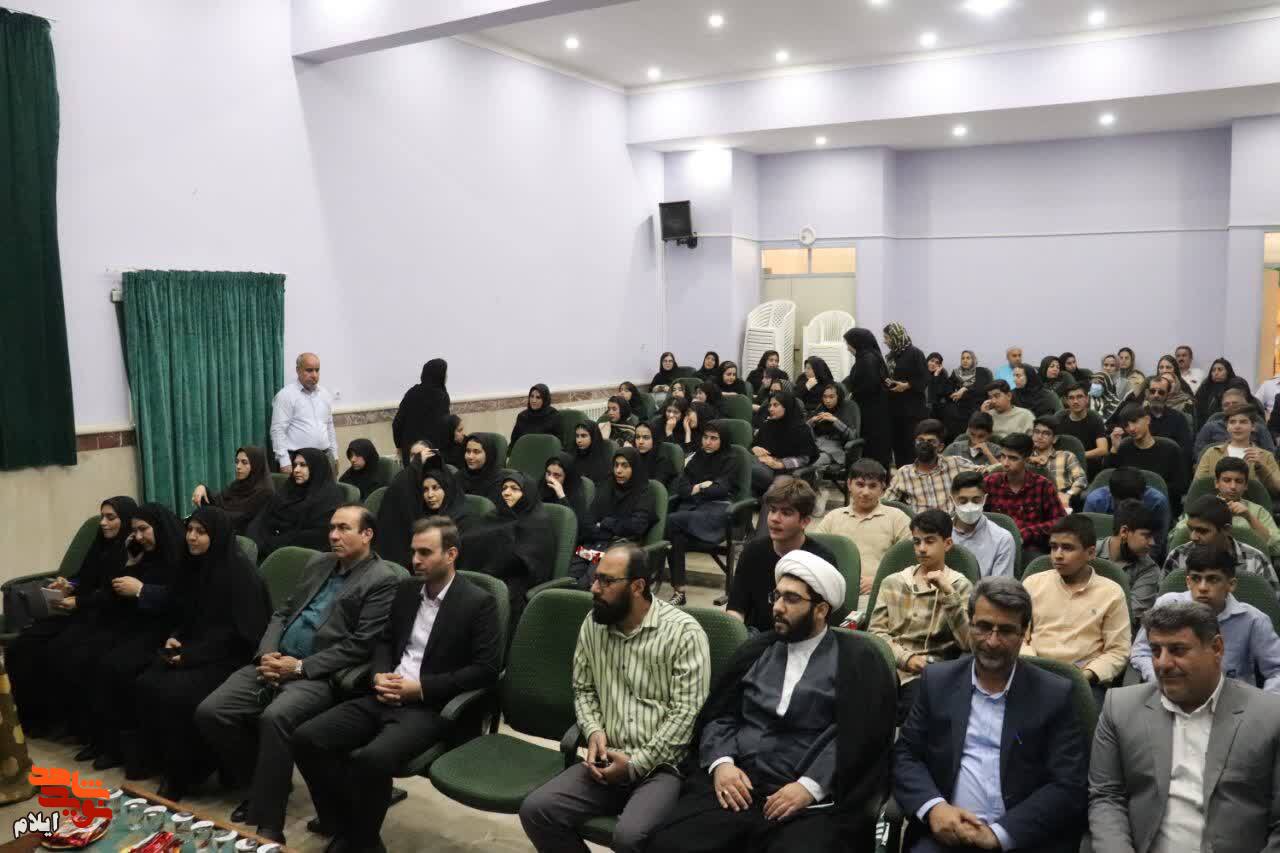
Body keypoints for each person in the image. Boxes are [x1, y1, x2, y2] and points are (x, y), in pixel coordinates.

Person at [647, 551, 897, 853]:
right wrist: (722, 763)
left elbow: (857, 738)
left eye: (791, 599)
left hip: (807, 802)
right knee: (670, 844)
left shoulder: (857, 661)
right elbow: (721, 715)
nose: (777, 607)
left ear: (821, 609)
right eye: (776, 596)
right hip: (739, 786)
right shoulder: (756, 651)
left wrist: (809, 787)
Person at [293, 517, 501, 853]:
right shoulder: (406, 591)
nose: (415, 560)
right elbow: (385, 642)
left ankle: (358, 842)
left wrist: (420, 688)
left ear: (451, 555)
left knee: (370, 760)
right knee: (307, 738)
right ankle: (347, 826)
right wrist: (378, 674)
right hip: (383, 693)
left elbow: (484, 671)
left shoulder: (478, 602)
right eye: (413, 552)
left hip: (428, 706)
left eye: (425, 553)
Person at [195, 505, 400, 844]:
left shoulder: (381, 579)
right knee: (211, 712)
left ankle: (268, 826)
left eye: (344, 528)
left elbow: (361, 645)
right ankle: (263, 781)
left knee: (275, 717)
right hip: (275, 660)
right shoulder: (319, 563)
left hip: (318, 674)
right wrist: (267, 652)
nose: (333, 535)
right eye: (332, 528)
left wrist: (300, 667)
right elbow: (284, 611)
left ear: (367, 535)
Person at [519, 544, 711, 853]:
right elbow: (584, 689)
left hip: (662, 767)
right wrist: (594, 731)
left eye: (607, 581)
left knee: (630, 837)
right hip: (607, 758)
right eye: (596, 578)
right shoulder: (593, 624)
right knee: (537, 811)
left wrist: (636, 764)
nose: (594, 588)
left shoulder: (684, 633)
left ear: (637, 586)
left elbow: (686, 713)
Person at [893, 576, 1090, 853]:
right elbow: (906, 755)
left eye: (1006, 631)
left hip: (1021, 839)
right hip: (945, 835)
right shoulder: (937, 682)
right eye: (984, 627)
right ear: (970, 624)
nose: (992, 641)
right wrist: (934, 808)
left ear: (1024, 633)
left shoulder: (1054, 695)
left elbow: (1068, 784)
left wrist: (999, 834)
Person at [1089, 599, 1280, 853]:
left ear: (1217, 648)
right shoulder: (1120, 708)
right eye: (1156, 651)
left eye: (1177, 650)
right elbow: (1106, 797)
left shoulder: (1270, 716)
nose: (1163, 663)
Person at [127, 506, 272, 799]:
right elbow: (183, 613)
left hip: (230, 656)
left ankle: (185, 775)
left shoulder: (239, 574)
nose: (192, 537)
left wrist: (193, 655)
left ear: (217, 536)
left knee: (175, 694)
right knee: (146, 682)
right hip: (195, 649)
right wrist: (176, 637)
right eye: (190, 530)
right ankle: (161, 762)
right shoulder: (192, 566)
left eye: (201, 532)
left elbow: (243, 634)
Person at [7, 496, 138, 738]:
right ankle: (29, 720)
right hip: (78, 610)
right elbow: (85, 577)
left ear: (127, 520)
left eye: (111, 517)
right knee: (22, 645)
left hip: (104, 616)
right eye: (102, 517)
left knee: (59, 650)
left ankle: (65, 723)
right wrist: (69, 585)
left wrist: (79, 601)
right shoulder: (100, 545)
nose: (103, 523)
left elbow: (113, 594)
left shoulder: (132, 553)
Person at [75, 503, 186, 769]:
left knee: (115, 666)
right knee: (88, 655)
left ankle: (123, 748)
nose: (138, 536)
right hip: (136, 625)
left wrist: (142, 590)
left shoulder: (180, 557)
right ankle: (101, 739)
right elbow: (117, 592)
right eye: (134, 531)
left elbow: (180, 601)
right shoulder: (144, 555)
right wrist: (131, 564)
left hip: (166, 630)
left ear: (159, 528)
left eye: (143, 529)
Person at [868, 509, 973, 723]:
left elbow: (968, 642)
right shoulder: (893, 582)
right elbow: (876, 633)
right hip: (889, 664)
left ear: (947, 544)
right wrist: (905, 658)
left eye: (930, 541)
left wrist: (948, 593)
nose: (922, 548)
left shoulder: (960, 585)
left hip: (930, 671)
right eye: (917, 542)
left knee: (915, 707)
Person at [1130, 545, 1280, 693]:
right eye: (1196, 579)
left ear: (1231, 584)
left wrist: (1264, 703)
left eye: (1212, 579)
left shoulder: (1253, 620)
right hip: (1172, 695)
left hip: (1233, 700)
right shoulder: (1167, 606)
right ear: (1188, 582)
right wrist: (1160, 681)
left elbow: (1277, 670)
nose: (1202, 587)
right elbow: (1141, 652)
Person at [1021, 515, 1131, 704]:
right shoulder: (1033, 584)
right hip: (1032, 673)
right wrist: (1034, 667)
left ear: (1090, 553)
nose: (1058, 555)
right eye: (1053, 547)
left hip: (1084, 682)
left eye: (1067, 548)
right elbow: (1018, 637)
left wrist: (1084, 676)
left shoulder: (1111, 593)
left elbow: (1118, 651)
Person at [728, 479, 837, 633]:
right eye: (773, 510)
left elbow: (821, 621)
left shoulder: (821, 560)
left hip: (800, 638)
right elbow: (736, 609)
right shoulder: (752, 551)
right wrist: (736, 635)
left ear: (804, 521)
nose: (775, 518)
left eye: (786, 513)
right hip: (755, 637)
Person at [665, 422, 740, 606]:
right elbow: (682, 488)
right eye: (705, 437)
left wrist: (697, 489)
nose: (708, 442)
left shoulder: (731, 459)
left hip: (717, 514)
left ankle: (643, 569)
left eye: (714, 438)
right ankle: (680, 591)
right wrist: (702, 486)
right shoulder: (697, 457)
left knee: (670, 522)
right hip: (694, 512)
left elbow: (721, 489)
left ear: (723, 440)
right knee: (676, 537)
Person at [813, 459, 912, 594]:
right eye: (860, 484)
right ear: (849, 484)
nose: (865, 492)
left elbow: (911, 559)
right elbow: (814, 554)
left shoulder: (897, 518)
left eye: (872, 486)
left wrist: (880, 580)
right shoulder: (833, 517)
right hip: (837, 591)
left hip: (881, 593)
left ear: (882, 488)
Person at [571, 447, 657, 589]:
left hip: (619, 548)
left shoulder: (644, 492)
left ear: (634, 468)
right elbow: (589, 519)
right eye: (616, 465)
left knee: (589, 584)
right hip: (594, 544)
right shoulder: (606, 486)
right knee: (566, 579)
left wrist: (606, 523)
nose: (618, 470)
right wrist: (603, 529)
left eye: (624, 466)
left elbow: (636, 526)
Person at [1163, 495, 1280, 596]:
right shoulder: (1178, 556)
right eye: (1191, 529)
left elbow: (1271, 605)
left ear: (1226, 530)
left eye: (1203, 531)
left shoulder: (1256, 560)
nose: (1193, 537)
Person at [247, 447, 346, 561]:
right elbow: (262, 518)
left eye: (303, 465)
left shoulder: (328, 498)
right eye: (295, 465)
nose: (296, 470)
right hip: (266, 549)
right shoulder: (288, 489)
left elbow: (315, 537)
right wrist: (255, 542)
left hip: (299, 557)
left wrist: (272, 543)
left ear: (317, 468)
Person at [982, 433, 1066, 559]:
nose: (1005, 463)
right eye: (1003, 456)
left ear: (1027, 459)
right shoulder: (990, 482)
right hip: (994, 545)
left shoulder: (1042, 485)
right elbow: (979, 516)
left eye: (1013, 458)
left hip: (1030, 548)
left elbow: (1060, 520)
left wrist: (1027, 533)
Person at [1178, 457, 1280, 559]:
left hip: (1249, 562)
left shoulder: (1258, 511)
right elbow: (1177, 538)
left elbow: (1277, 548)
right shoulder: (1201, 506)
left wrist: (1249, 517)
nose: (1233, 486)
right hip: (1203, 560)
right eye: (1227, 480)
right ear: (1217, 483)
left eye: (1239, 481)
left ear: (1245, 485)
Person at [886, 420, 977, 515]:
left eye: (931, 441)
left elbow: (985, 473)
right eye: (920, 440)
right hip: (919, 522)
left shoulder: (955, 463)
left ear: (940, 447)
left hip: (951, 521)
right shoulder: (904, 473)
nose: (924, 445)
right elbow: (885, 503)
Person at [1095, 500, 1161, 628]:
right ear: (1124, 532)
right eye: (1147, 536)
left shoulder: (1149, 569)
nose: (1152, 542)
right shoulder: (1088, 554)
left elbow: (1130, 615)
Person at [1083, 466, 1172, 560]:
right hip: (1101, 555)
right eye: (1125, 502)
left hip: (1142, 558)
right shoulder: (1096, 501)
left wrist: (1142, 564)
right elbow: (1086, 539)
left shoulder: (1157, 502)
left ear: (1144, 493)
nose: (1129, 507)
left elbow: (1157, 543)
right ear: (1112, 495)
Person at [1107, 404, 1187, 508]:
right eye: (1126, 425)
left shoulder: (1170, 449)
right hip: (1127, 505)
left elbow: (1181, 486)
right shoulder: (1124, 447)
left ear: (1147, 420)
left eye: (1135, 421)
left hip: (1159, 504)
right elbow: (1108, 478)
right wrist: (1114, 449)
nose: (1131, 428)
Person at [271, 352, 338, 472]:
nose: (314, 375)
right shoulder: (286, 395)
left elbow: (329, 426)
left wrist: (335, 455)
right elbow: (278, 430)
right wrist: (284, 462)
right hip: (298, 460)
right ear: (298, 370)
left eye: (317, 370)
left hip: (325, 457)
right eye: (309, 370)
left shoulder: (325, 394)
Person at [1195, 405, 1280, 495]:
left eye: (1243, 422)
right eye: (1232, 422)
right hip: (1216, 502)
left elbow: (1277, 489)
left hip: (1253, 503)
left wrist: (1262, 468)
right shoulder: (1211, 453)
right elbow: (1197, 487)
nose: (1237, 426)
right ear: (1227, 426)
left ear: (1253, 426)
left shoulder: (1265, 456)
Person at [190, 446, 275, 533]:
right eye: (237, 462)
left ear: (256, 465)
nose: (238, 466)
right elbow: (217, 502)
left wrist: (214, 515)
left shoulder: (265, 493)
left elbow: (241, 520)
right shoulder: (237, 485)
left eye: (244, 462)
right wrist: (203, 489)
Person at [949, 471, 1016, 579]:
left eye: (976, 501)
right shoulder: (940, 534)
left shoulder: (1002, 539)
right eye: (963, 501)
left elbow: (1000, 586)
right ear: (952, 500)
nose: (970, 507)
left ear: (984, 499)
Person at [749, 390, 817, 496]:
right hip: (763, 467)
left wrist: (780, 464)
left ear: (787, 406)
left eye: (775, 405)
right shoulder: (767, 425)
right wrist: (755, 449)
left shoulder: (801, 429)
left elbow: (805, 458)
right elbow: (754, 445)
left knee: (769, 489)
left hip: (786, 471)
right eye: (770, 405)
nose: (771, 409)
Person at [843, 328, 892, 469]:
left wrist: (853, 393)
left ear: (857, 342)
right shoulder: (869, 357)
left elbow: (869, 385)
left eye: (848, 344)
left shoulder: (867, 359)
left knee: (873, 448)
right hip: (875, 410)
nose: (848, 348)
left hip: (872, 413)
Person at [883, 323, 929, 468]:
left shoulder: (915, 353)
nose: (885, 341)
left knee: (910, 447)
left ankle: (915, 475)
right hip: (895, 408)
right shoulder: (892, 355)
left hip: (911, 410)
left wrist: (907, 385)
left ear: (896, 336)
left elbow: (924, 379)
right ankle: (902, 474)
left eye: (887, 338)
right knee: (898, 446)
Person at [1193, 385, 1277, 459]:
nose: (1231, 407)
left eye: (1235, 403)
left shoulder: (1259, 427)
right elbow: (1198, 453)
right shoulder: (1210, 427)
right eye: (1226, 404)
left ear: (1245, 405)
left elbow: (1270, 452)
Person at [391, 359, 450, 462]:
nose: (446, 376)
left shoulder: (412, 392)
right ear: (440, 375)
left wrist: (399, 446)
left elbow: (397, 423)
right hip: (431, 453)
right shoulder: (441, 396)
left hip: (410, 452)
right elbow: (444, 428)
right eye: (445, 373)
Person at [1027, 416, 1087, 510]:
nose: (1039, 436)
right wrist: (1029, 459)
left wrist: (1068, 494)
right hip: (1029, 500)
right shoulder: (1024, 457)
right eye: (1036, 432)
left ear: (1054, 439)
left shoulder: (1066, 456)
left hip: (1058, 499)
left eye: (1046, 433)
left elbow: (1081, 479)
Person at [806, 382, 857, 480]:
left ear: (839, 397)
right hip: (816, 447)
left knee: (812, 463)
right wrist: (812, 421)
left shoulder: (848, 408)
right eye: (825, 397)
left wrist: (835, 421)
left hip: (836, 451)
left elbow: (852, 436)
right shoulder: (821, 408)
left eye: (831, 397)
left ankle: (810, 487)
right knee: (799, 460)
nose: (827, 400)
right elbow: (804, 432)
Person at [1057, 383, 1110, 478]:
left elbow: (1103, 449)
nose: (1075, 401)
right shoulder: (1060, 419)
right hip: (1063, 468)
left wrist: (1077, 456)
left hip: (1089, 469)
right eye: (1071, 398)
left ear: (1087, 399)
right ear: (1067, 401)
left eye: (1079, 397)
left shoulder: (1095, 419)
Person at [1142, 375, 1194, 465]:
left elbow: (1185, 451)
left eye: (1161, 392)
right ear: (1147, 393)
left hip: (1169, 465)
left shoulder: (1179, 418)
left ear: (1168, 395)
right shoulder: (1138, 416)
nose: (1156, 395)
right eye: (1152, 391)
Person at [944, 350, 994, 440]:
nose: (965, 360)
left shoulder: (981, 371)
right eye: (963, 358)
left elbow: (981, 388)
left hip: (976, 404)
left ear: (973, 360)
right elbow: (948, 388)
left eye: (968, 358)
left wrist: (964, 389)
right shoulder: (956, 373)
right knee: (949, 412)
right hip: (960, 405)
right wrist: (952, 394)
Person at [457, 432, 505, 503]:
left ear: (488, 454)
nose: (470, 457)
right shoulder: (458, 476)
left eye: (476, 452)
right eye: (468, 451)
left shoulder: (499, 482)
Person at [542, 451, 590, 522]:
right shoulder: (541, 485)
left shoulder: (576, 493)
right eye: (548, 473)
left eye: (556, 475)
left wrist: (562, 496)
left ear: (567, 477)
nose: (550, 479)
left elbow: (575, 522)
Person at [632, 422, 678, 490]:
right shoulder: (634, 456)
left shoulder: (663, 461)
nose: (640, 442)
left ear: (654, 438)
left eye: (646, 438)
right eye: (637, 437)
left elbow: (654, 489)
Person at [1194, 357, 1236, 426]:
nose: (1216, 373)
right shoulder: (1205, 387)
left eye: (1220, 370)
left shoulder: (1234, 387)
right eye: (1213, 370)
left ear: (1228, 372)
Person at [573, 420, 615, 486]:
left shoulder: (603, 462)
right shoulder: (573, 455)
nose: (579, 440)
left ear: (593, 437)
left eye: (583, 436)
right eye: (577, 436)